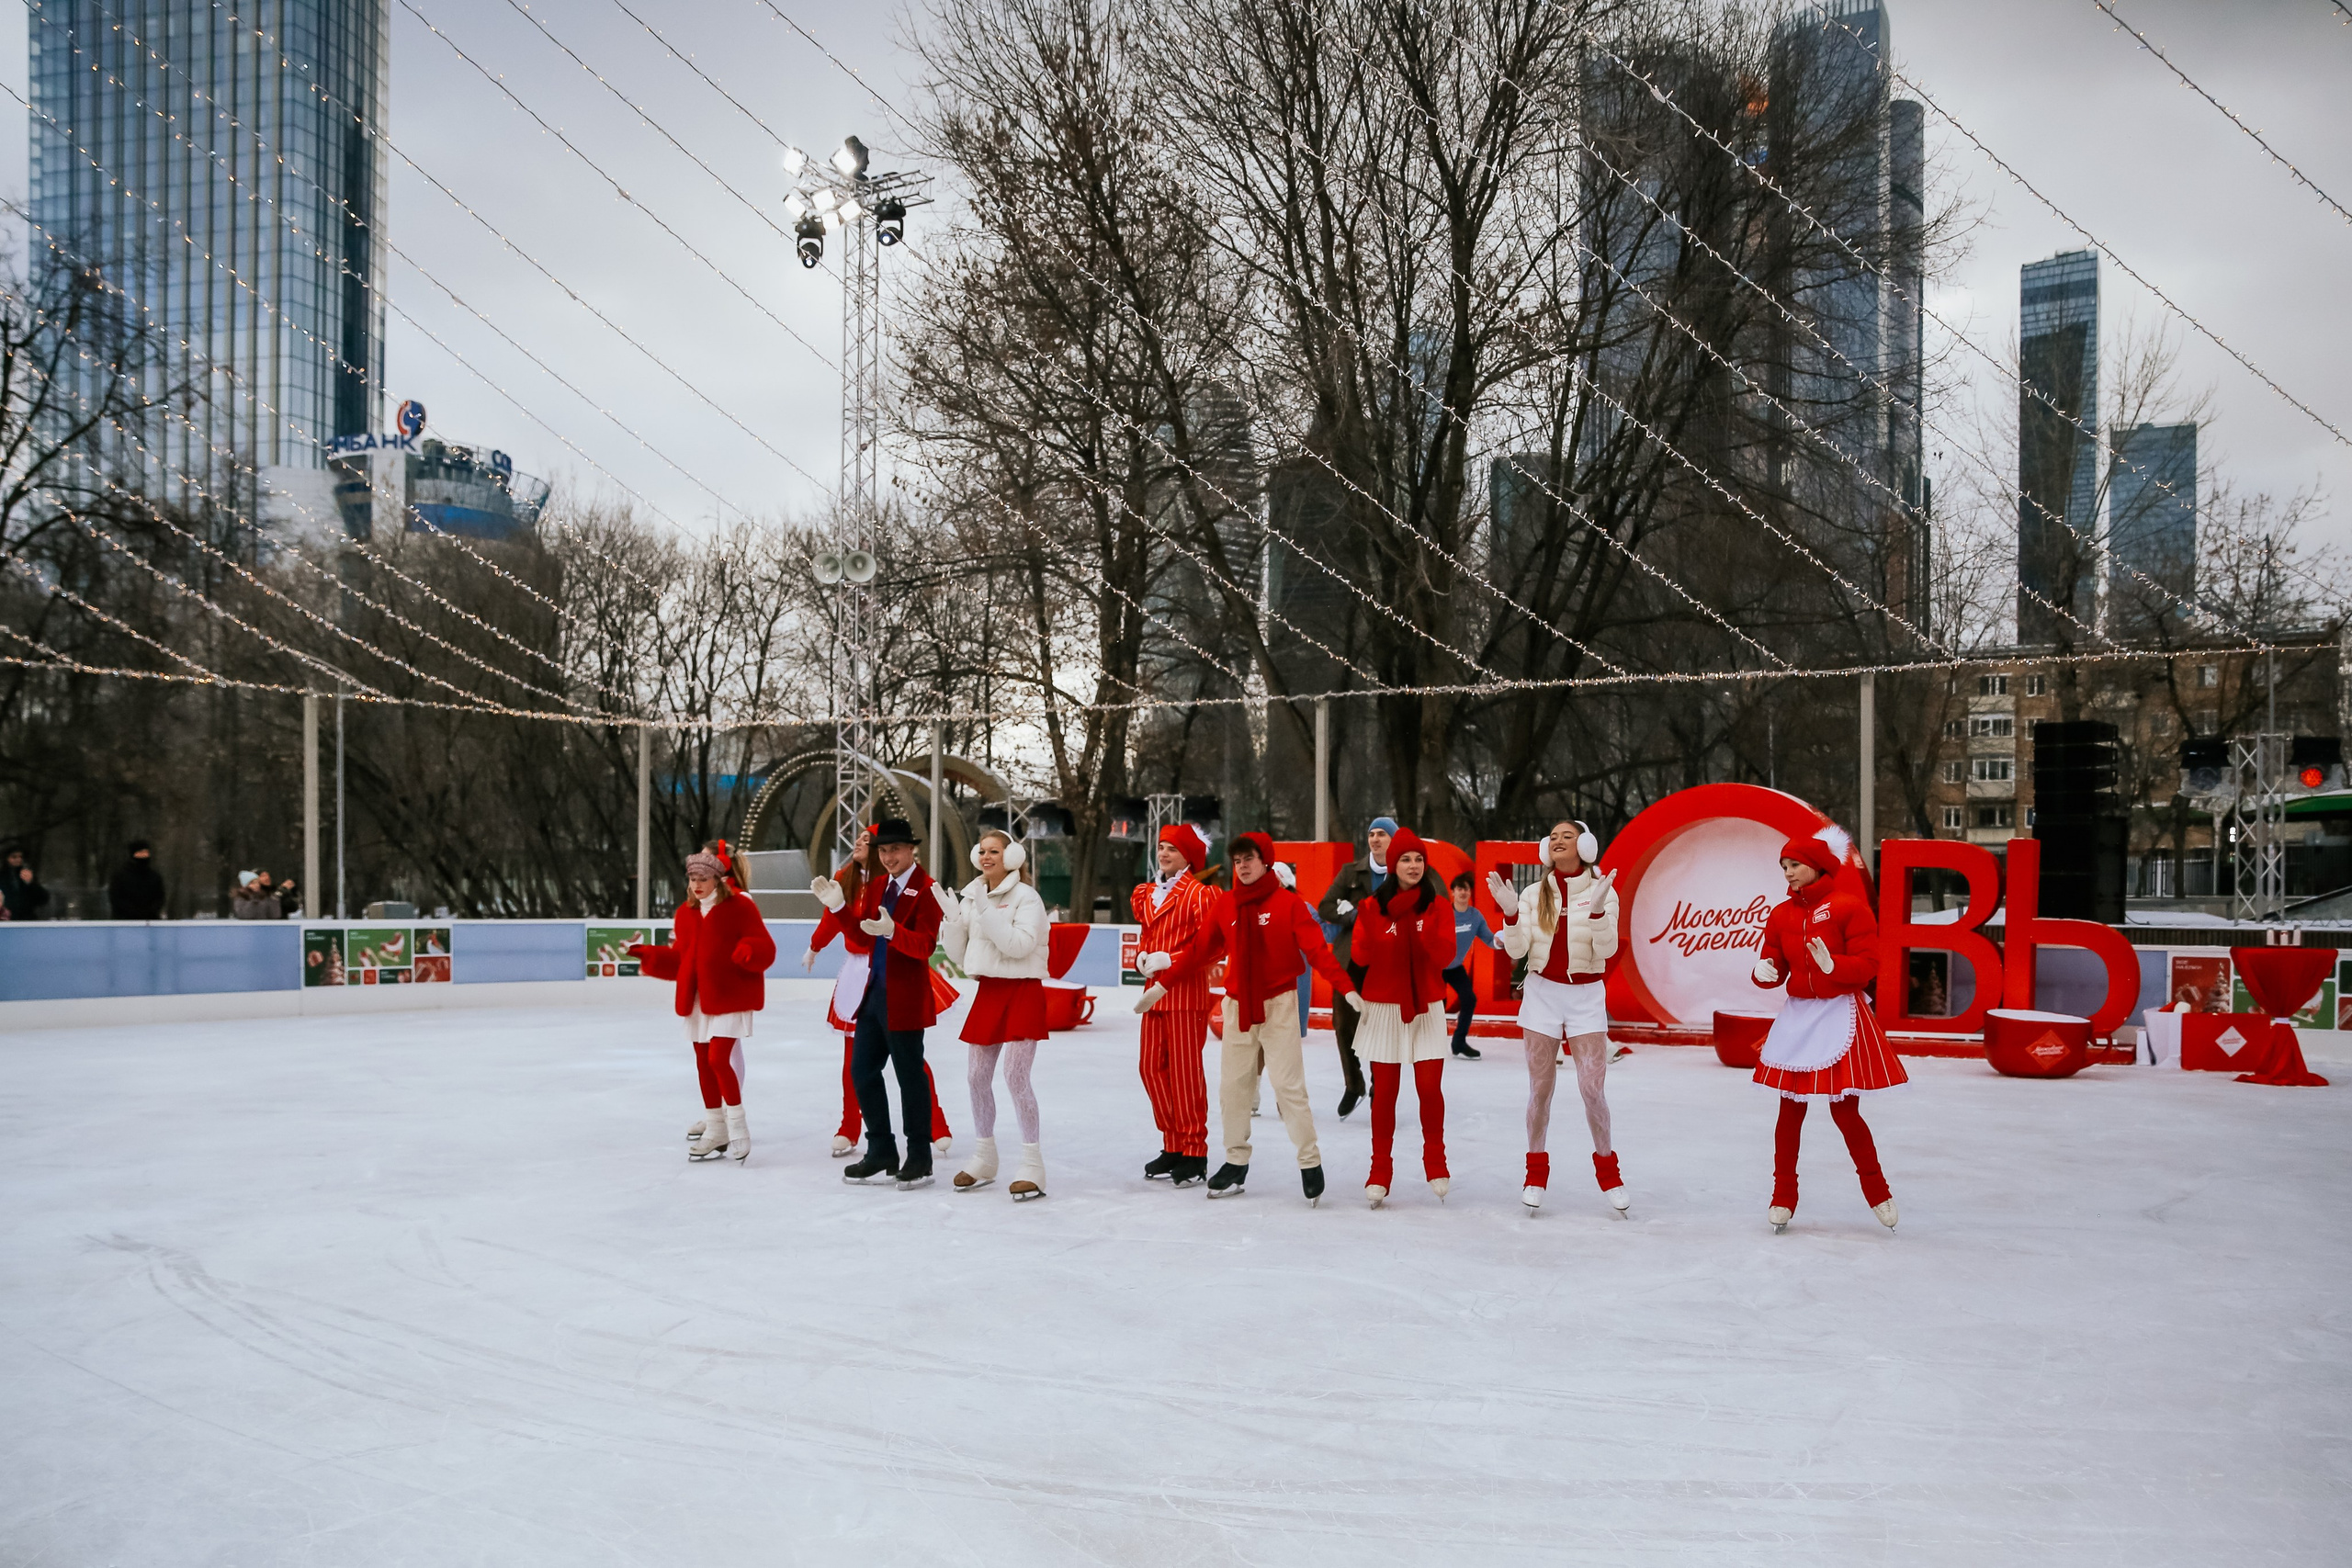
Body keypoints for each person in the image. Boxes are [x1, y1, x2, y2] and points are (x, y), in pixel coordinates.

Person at [1138, 831, 1359, 1205]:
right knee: (1233, 1089)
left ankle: (1309, 1162)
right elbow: (1198, 952)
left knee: (1289, 1088)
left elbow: (1317, 952)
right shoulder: (1226, 905)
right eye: (1238, 861)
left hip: (1278, 1005)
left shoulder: (1287, 904)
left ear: (1266, 861)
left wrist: (1347, 987)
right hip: (1238, 1006)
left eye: (1249, 859)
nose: (1242, 867)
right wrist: (1163, 986)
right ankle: (1235, 1162)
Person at [1749, 826, 1905, 1234]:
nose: (1788, 872)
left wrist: (1836, 967)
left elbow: (1870, 964)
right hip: (1799, 1016)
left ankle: (1878, 1191)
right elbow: (1774, 962)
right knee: (1789, 1110)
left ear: (1817, 867)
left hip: (1839, 1013)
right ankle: (1783, 1195)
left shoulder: (1848, 907)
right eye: (1784, 865)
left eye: (1795, 864)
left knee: (1846, 1111)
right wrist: (1763, 972)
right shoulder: (1781, 914)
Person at [1494, 819, 1629, 1216]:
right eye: (1552, 836)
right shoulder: (1534, 894)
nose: (1557, 841)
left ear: (1585, 846)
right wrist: (1510, 915)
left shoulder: (1603, 890)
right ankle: (1535, 1173)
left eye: (1566, 836)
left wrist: (1601, 908)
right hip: (1542, 994)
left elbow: (1605, 950)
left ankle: (1609, 1173)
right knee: (1540, 1089)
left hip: (1586, 996)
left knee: (1592, 1090)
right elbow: (1517, 951)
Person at [804, 829, 953, 1160]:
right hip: (866, 985)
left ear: (909, 850)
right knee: (860, 1067)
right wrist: (835, 913)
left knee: (909, 1069)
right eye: (881, 849)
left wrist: (892, 931)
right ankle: (866, 1139)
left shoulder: (922, 889)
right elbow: (853, 931)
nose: (886, 856)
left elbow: (925, 944)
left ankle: (926, 1141)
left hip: (901, 986)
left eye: (893, 848)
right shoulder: (863, 882)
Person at [628, 847, 777, 1163]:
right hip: (698, 999)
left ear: (719, 879)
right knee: (702, 1061)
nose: (697, 885)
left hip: (729, 995)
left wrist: (749, 950)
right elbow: (681, 958)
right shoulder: (686, 913)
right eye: (693, 878)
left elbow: (764, 944)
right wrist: (649, 956)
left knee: (719, 1058)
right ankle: (715, 1129)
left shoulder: (740, 907)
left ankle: (738, 1126)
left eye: (703, 878)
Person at [935, 829, 1051, 1200]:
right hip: (990, 991)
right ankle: (985, 1155)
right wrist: (954, 921)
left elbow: (1019, 946)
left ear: (1013, 856)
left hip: (1022, 989)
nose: (987, 857)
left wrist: (986, 911)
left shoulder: (1027, 898)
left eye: (995, 851)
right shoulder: (973, 895)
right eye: (982, 851)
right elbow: (958, 956)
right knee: (975, 1077)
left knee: (1016, 1077)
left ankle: (1033, 1163)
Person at [1348, 827, 1460, 1208]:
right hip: (1384, 1007)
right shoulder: (1371, 907)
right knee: (1386, 1095)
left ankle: (1436, 1159)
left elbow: (1446, 957)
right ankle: (1380, 1168)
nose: (1413, 865)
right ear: (1392, 865)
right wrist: (1371, 935)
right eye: (1405, 859)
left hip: (1426, 1006)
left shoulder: (1439, 906)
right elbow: (1361, 957)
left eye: (1418, 859)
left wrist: (1420, 931)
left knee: (1429, 1089)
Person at [1128, 823, 1218, 1187]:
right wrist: (1142, 956)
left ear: (1189, 857)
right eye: (1162, 847)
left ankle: (1194, 1149)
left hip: (1184, 993)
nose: (1164, 853)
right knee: (1150, 1068)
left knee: (1184, 1073)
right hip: (1154, 994)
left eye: (1172, 849)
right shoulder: (1148, 893)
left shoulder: (1200, 894)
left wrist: (1172, 958)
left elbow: (1214, 945)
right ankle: (1174, 1141)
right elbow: (1147, 936)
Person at [1314, 817, 1393, 1118]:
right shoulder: (1351, 872)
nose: (1375, 839)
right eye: (1371, 834)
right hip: (1350, 961)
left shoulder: (1402, 873)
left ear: (1392, 840)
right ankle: (1354, 1083)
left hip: (1385, 963)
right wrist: (1350, 916)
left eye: (1382, 834)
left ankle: (1379, 1089)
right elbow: (1325, 906)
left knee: (1380, 1029)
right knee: (1343, 1025)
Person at [1443, 873, 1495, 1060]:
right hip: (1435, 967)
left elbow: (1488, 938)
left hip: (1455, 967)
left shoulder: (1475, 916)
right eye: (1459, 889)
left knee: (1469, 999)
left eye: (1466, 888)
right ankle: (1423, 1044)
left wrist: (1502, 941)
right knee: (1435, 1005)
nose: (1463, 892)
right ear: (1452, 892)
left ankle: (1458, 1042)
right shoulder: (1444, 913)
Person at [108, 840, 166, 920]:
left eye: (145, 853)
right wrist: (133, 912)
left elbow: (160, 898)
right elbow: (116, 899)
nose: (143, 856)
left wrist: (149, 912)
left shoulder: (155, 877)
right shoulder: (120, 877)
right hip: (124, 922)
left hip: (150, 922)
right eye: (140, 853)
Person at [4, 849, 50, 921]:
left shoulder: (27, 875)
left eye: (21, 857)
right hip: (5, 920)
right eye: (14, 857)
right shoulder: (3, 876)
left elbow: (43, 899)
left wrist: (31, 883)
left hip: (27, 920)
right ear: (7, 858)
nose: (18, 859)